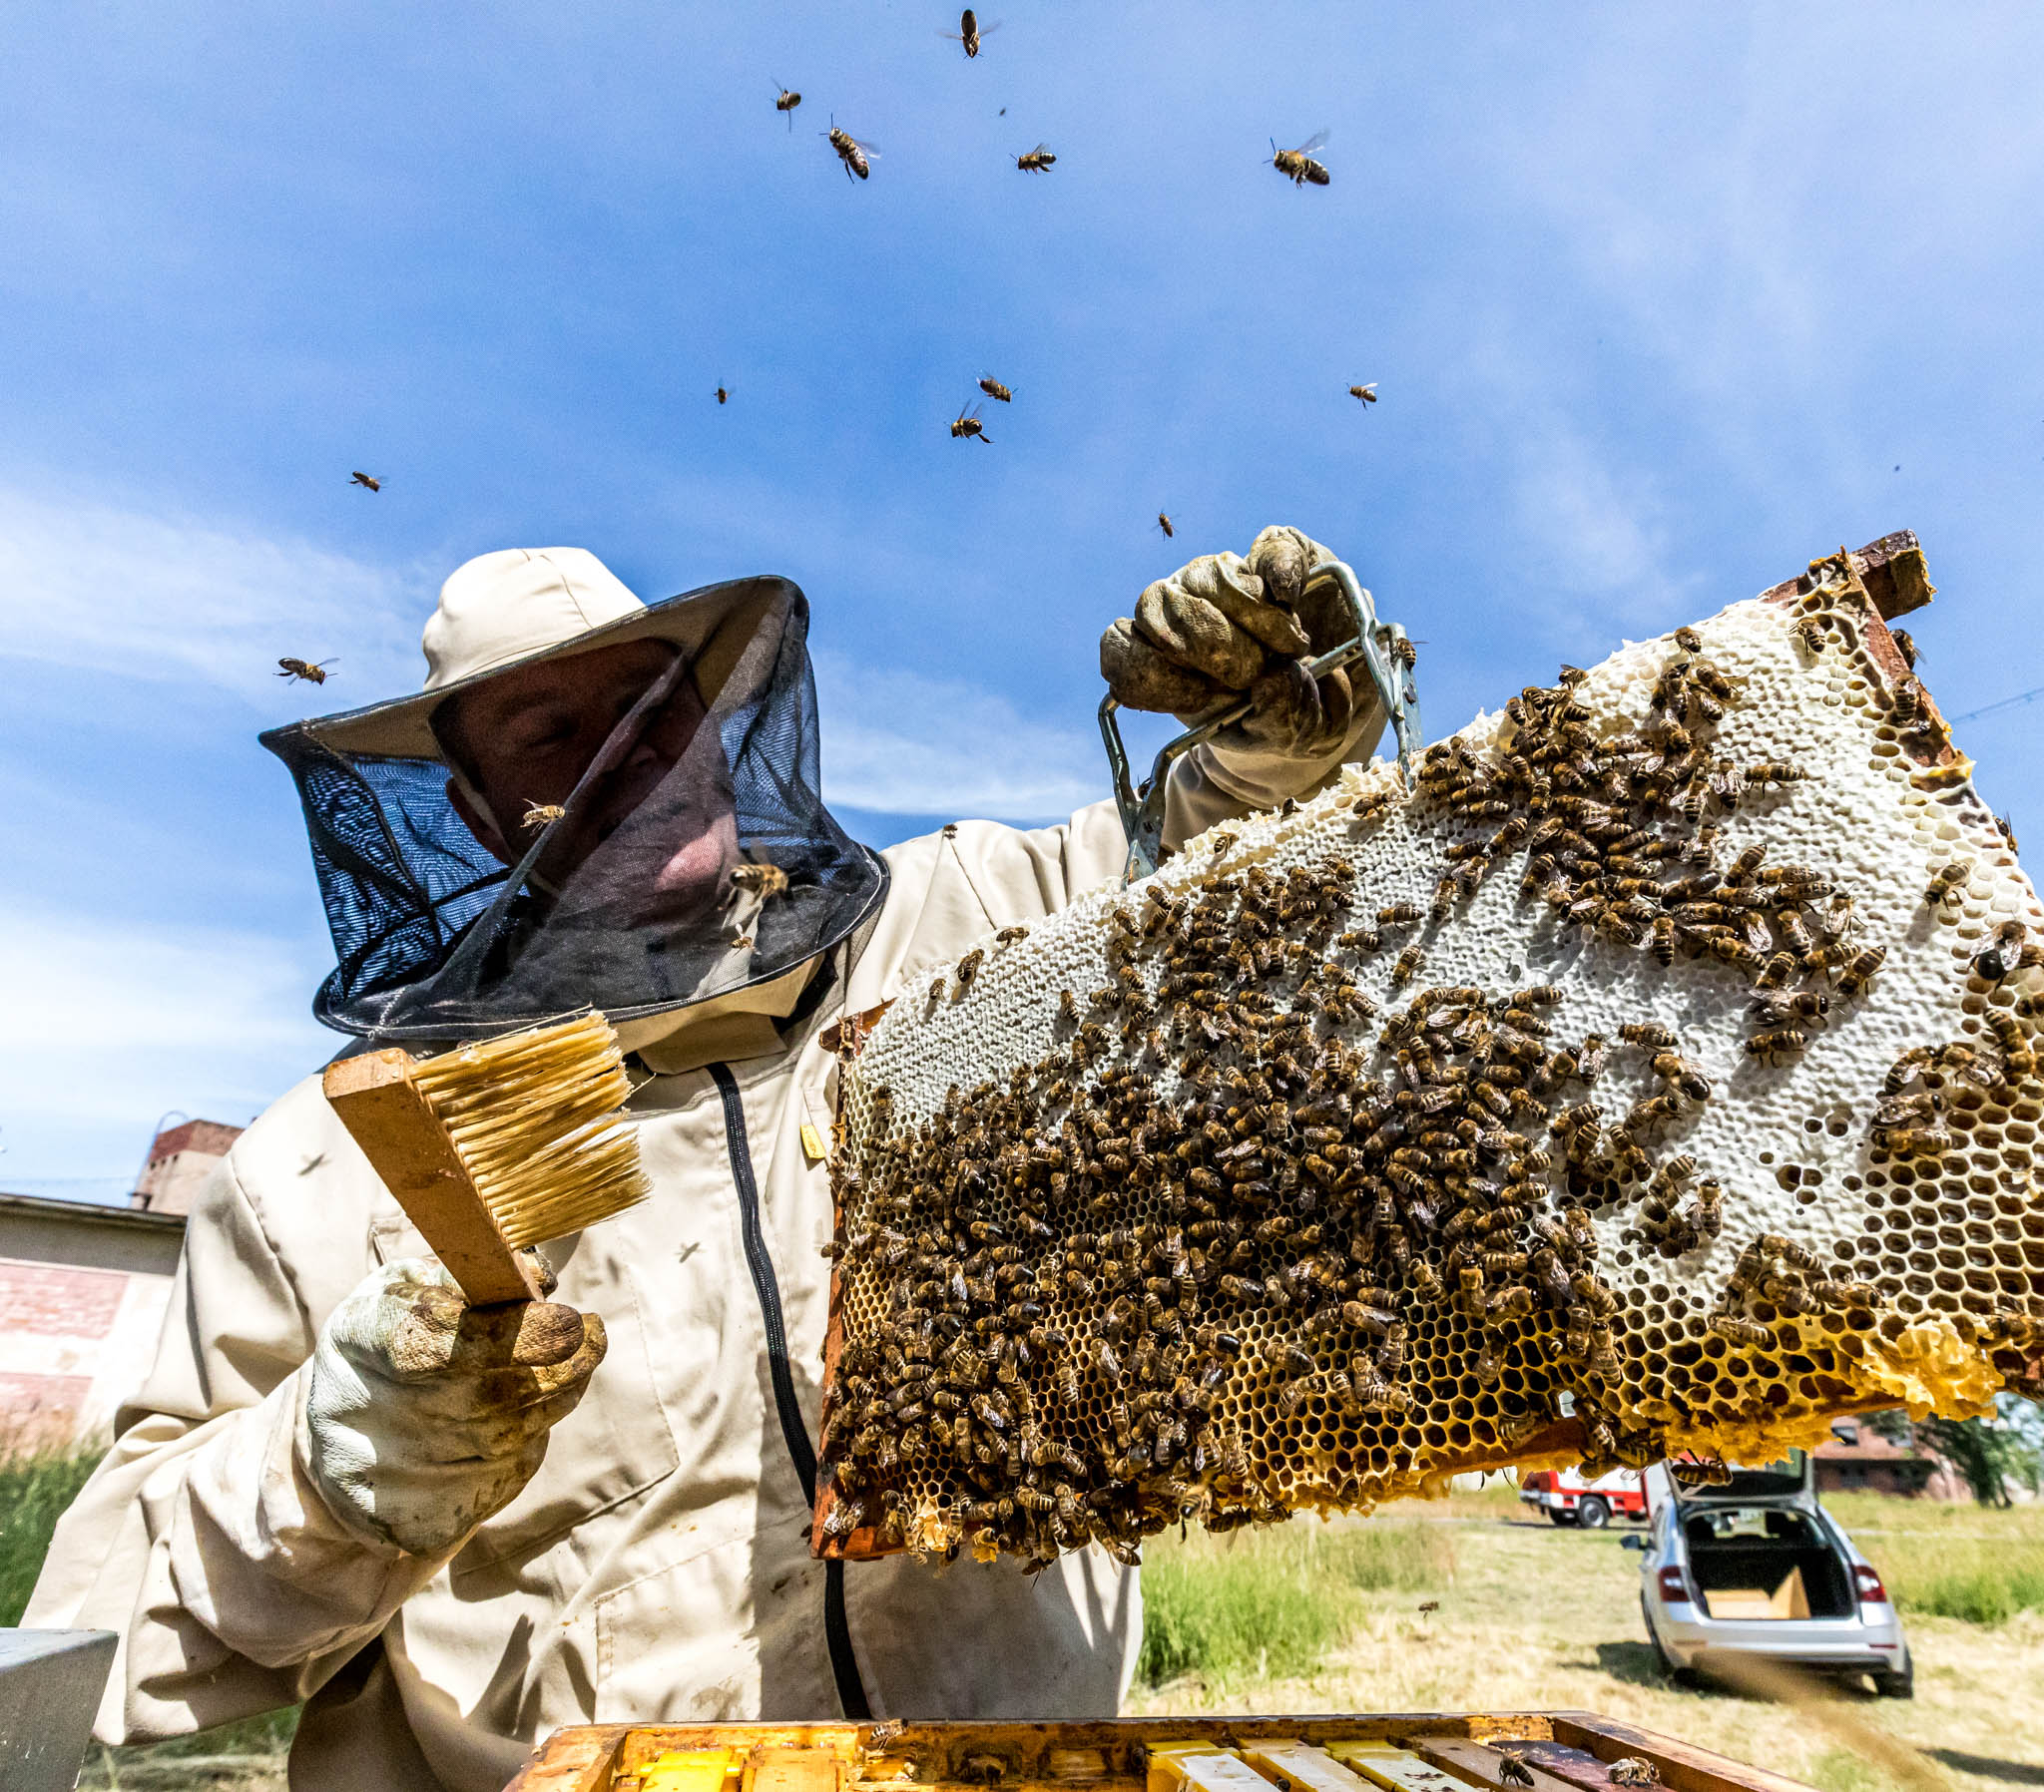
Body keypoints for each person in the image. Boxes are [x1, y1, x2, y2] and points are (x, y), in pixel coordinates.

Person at [29, 532, 1389, 1792]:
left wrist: (1281, 734)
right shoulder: (335, 1165)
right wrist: (342, 1463)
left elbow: (1223, 870)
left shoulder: (966, 918)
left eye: (650, 710)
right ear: (476, 807)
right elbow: (109, 1641)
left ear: (725, 730)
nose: (625, 755)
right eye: (555, 730)